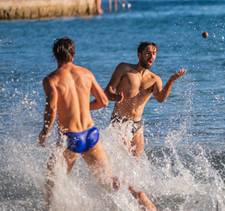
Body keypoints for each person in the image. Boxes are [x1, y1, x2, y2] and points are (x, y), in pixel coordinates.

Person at [38, 38, 155, 210]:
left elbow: (52, 108)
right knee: (110, 181)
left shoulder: (51, 80)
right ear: (73, 54)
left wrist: (44, 132)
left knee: (52, 179)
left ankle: (48, 209)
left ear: (55, 55)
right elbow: (103, 101)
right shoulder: (86, 73)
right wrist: (83, 107)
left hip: (72, 138)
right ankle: (139, 196)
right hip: (91, 135)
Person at [105, 42, 186, 157]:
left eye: (154, 53)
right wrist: (116, 97)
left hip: (137, 125)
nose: (151, 56)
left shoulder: (155, 79)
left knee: (137, 164)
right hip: (120, 122)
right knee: (125, 158)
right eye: (148, 53)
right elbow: (108, 91)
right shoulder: (124, 69)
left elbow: (161, 99)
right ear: (139, 55)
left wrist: (171, 80)